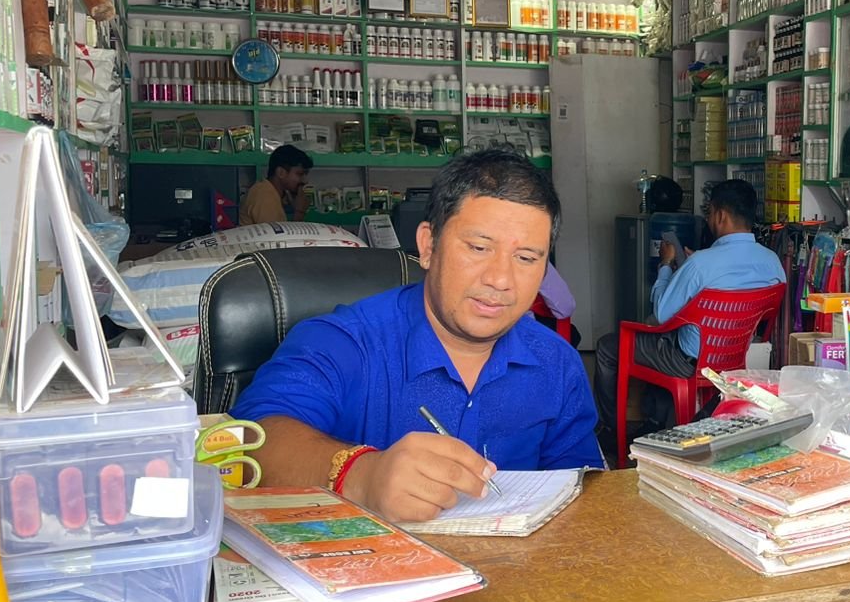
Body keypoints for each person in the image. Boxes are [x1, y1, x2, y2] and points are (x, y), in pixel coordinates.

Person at [232, 147, 602, 523]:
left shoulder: (557, 363)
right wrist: (361, 475)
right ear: (428, 245)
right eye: (479, 248)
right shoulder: (342, 343)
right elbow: (250, 443)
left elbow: (582, 494)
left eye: (526, 258)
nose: (500, 279)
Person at [593, 178, 784, 446]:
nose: (708, 219)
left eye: (710, 213)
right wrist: (692, 267)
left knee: (608, 347)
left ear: (720, 215)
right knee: (661, 340)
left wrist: (667, 265)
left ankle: (611, 431)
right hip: (736, 357)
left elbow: (662, 314)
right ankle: (656, 421)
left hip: (688, 361)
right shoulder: (772, 262)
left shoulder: (700, 265)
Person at [239, 145, 312, 226]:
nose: (305, 181)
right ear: (281, 173)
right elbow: (277, 234)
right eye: (300, 174)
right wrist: (300, 211)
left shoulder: (273, 192)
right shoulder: (265, 195)